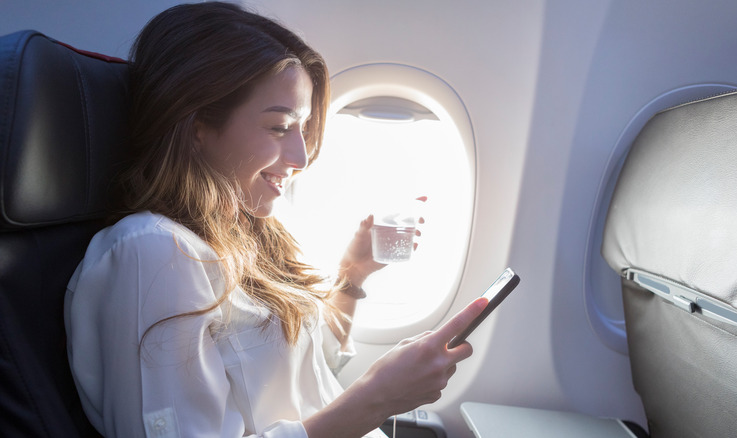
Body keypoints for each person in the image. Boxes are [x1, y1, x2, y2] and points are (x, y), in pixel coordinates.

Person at [64, 2, 488, 437]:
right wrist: (377, 398)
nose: (301, 157)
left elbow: (304, 380)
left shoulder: (249, 233)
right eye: (279, 127)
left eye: (302, 129)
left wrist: (352, 275)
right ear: (196, 125)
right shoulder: (154, 253)